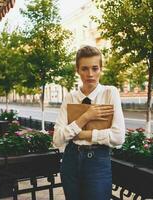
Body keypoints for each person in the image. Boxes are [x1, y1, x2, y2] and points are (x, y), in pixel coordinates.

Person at [53, 45, 125, 200]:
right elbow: (57, 139)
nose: (90, 74)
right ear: (77, 70)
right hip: (70, 160)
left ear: (101, 69)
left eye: (95, 68)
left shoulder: (109, 92)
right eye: (84, 69)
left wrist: (81, 134)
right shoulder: (70, 98)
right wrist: (86, 117)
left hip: (98, 161)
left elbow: (118, 137)